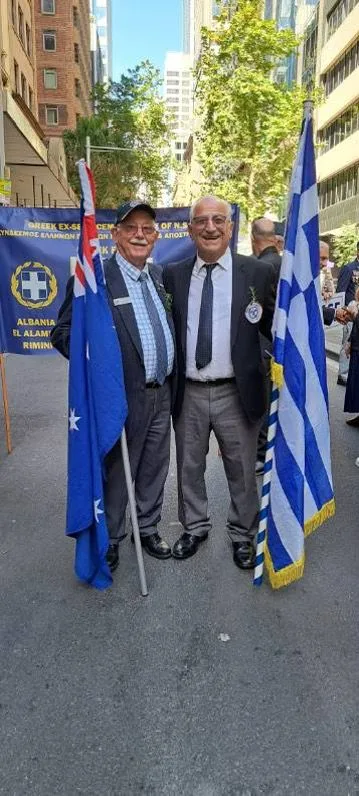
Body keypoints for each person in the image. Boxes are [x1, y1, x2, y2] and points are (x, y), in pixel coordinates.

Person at [51, 200, 176, 573]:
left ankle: (148, 527)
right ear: (115, 234)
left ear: (155, 237)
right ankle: (114, 536)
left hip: (162, 393)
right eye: (131, 227)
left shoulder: (158, 278)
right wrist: (98, 361)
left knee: (155, 467)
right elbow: (63, 333)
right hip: (121, 396)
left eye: (147, 229)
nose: (140, 234)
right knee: (119, 471)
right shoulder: (94, 280)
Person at [163, 195, 276, 571]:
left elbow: (275, 328)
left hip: (237, 391)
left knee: (243, 469)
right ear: (190, 229)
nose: (210, 227)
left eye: (218, 220)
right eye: (202, 221)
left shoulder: (257, 274)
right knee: (189, 467)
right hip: (190, 390)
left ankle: (243, 534)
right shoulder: (173, 275)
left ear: (230, 227)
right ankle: (194, 526)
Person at [251, 217, 281, 473]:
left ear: (253, 240)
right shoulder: (285, 264)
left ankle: (261, 454)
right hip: (281, 345)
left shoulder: (258, 268)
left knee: (262, 400)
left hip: (263, 344)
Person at [336, 241, 359, 386]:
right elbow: (341, 291)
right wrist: (343, 311)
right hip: (351, 313)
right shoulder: (349, 268)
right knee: (348, 343)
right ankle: (343, 375)